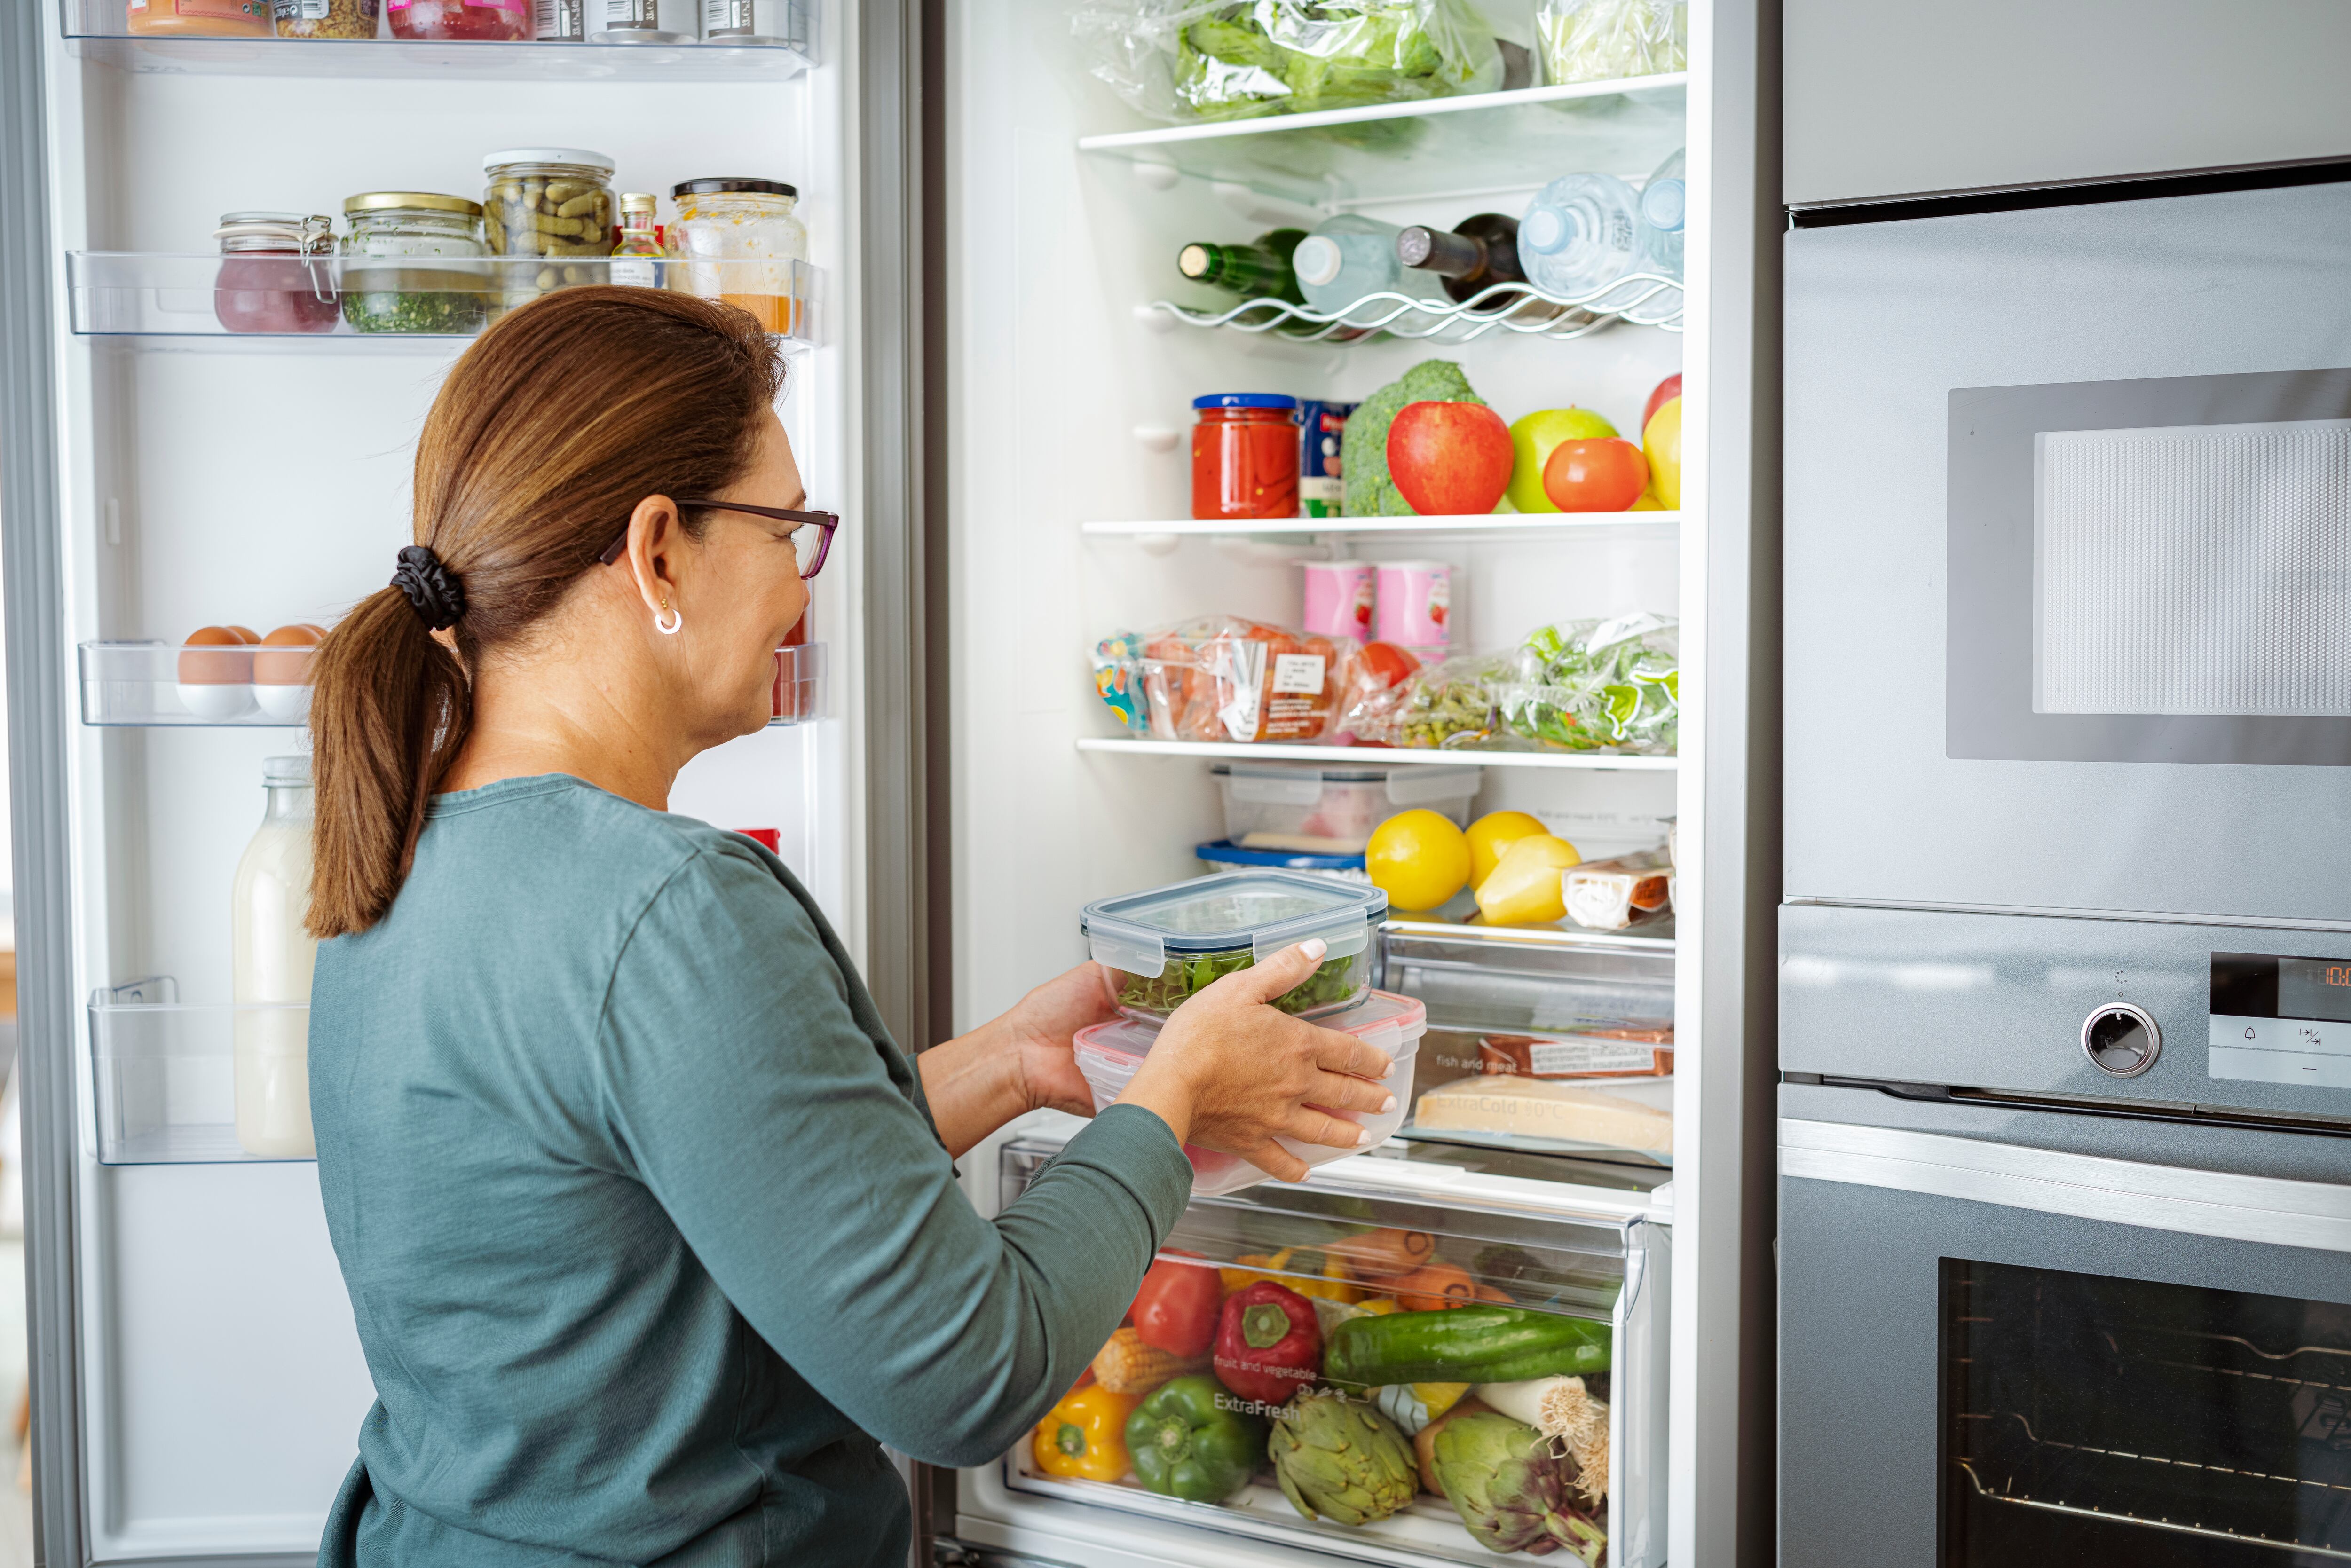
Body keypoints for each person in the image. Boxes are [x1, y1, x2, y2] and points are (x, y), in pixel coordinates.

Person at [300, 287, 1396, 1568]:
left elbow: (673, 1205)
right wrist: (1175, 1097)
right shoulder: (667, 907)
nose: (798, 587)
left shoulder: (401, 849)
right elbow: (970, 1374)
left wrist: (1008, 1067)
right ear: (659, 552)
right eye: (788, 531)